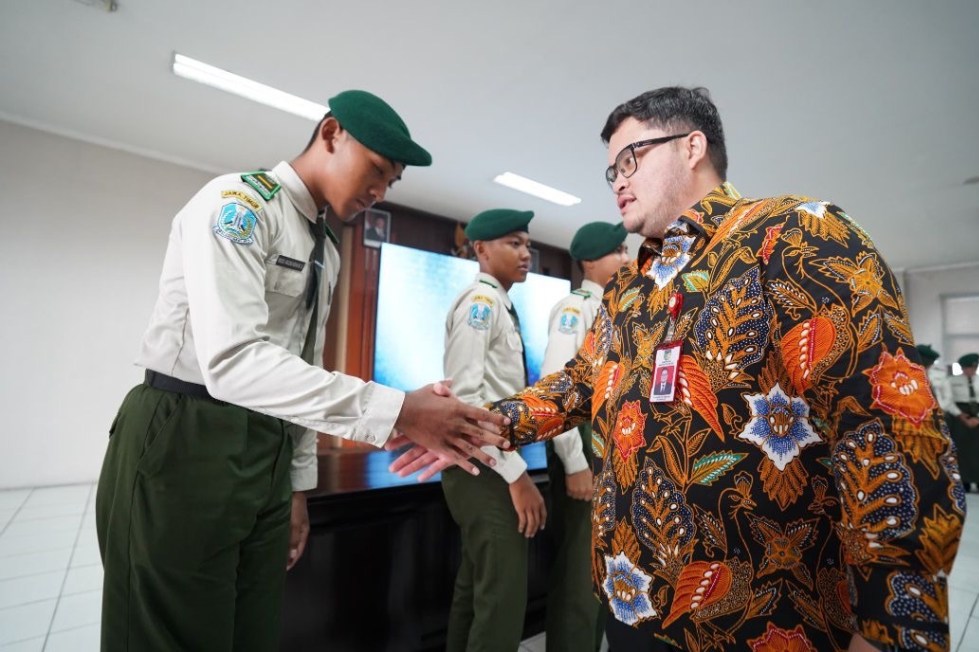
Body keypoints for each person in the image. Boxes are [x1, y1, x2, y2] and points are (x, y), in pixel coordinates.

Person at [392, 86, 964, 651]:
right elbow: (575, 386)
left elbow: (890, 431)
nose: (617, 179)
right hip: (634, 606)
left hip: (761, 624)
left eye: (630, 158)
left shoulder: (793, 237)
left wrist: (890, 628)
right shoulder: (629, 292)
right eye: (609, 169)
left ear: (693, 147)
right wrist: (470, 425)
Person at [96, 90, 510, 652]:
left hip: (266, 444)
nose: (379, 192)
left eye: (391, 183)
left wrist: (295, 487)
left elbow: (300, 369)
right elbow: (232, 361)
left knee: (253, 629)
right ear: (333, 133)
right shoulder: (239, 206)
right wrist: (399, 410)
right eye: (376, 171)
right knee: (172, 632)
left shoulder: (326, 250)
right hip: (186, 433)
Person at [441, 208, 546, 652]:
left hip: (486, 465)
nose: (526, 254)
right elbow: (467, 402)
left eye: (527, 245)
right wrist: (516, 475)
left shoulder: (499, 302)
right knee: (501, 600)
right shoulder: (481, 304)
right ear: (481, 249)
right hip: (487, 467)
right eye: (513, 244)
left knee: (478, 591)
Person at [540, 220, 629, 652]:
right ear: (591, 261)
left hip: (608, 461)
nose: (628, 259)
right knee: (578, 582)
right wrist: (575, 464)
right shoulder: (576, 308)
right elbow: (558, 389)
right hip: (584, 462)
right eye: (619, 252)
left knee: (598, 581)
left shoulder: (615, 306)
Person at [946, 353, 979, 495]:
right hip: (960, 416)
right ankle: (965, 482)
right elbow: (948, 400)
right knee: (962, 450)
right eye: (964, 368)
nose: (967, 371)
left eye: (969, 368)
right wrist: (960, 415)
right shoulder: (951, 381)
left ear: (976, 367)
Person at [917, 344, 952, 414]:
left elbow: (948, 397)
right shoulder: (908, 373)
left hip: (938, 411)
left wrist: (939, 409)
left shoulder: (940, 375)